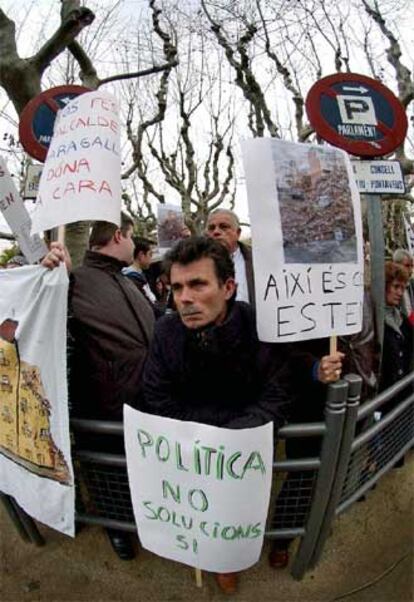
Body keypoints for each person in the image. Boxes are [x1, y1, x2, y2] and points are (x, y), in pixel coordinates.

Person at [142, 236, 291, 594]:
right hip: (189, 455)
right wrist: (199, 440)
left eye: (197, 284)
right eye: (177, 287)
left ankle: (228, 561)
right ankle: (209, 559)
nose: (184, 298)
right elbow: (156, 396)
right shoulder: (164, 333)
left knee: (232, 517)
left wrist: (232, 441)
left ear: (228, 287)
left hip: (242, 456)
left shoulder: (260, 328)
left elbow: (277, 396)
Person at [42, 213, 155, 561]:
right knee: (108, 477)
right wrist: (48, 272)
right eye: (133, 237)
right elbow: (46, 320)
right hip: (103, 408)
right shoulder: (72, 280)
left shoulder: (128, 282)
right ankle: (117, 531)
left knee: (137, 473)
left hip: (144, 401)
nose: (136, 246)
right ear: (119, 235)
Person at [206, 209, 255, 308]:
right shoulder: (195, 262)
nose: (216, 232)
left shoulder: (257, 259)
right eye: (211, 228)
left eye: (224, 227)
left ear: (238, 233)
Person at [380, 261, 413, 401]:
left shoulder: (402, 319)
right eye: (396, 287)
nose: (400, 292)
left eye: (403, 288)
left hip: (402, 393)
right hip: (382, 397)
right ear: (384, 285)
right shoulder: (373, 320)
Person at [122, 236, 158, 307]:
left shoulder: (138, 274)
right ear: (141, 255)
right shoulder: (132, 279)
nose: (152, 258)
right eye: (150, 254)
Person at [392, 248, 414, 324]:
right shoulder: (389, 287)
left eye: (412, 266)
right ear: (396, 264)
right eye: (407, 266)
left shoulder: (411, 285)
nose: (410, 270)